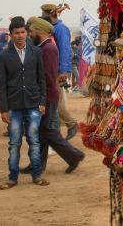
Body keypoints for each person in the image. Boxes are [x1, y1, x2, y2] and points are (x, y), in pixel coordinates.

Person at [25, 17, 84, 174]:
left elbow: (48, 76)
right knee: (42, 132)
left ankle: (74, 155)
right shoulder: (44, 47)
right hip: (47, 95)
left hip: (47, 96)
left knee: (46, 131)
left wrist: (41, 97)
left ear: (39, 32)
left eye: (31, 31)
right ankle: (37, 164)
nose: (30, 34)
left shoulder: (48, 49)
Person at [0, 18, 48, 189]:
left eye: (22, 32)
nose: (20, 36)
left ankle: (37, 175)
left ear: (27, 33)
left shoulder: (35, 52)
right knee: (14, 143)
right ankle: (12, 177)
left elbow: (42, 79)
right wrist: (4, 109)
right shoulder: (4, 55)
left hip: (34, 103)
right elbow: (2, 85)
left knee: (34, 141)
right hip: (14, 106)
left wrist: (42, 102)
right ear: (11, 35)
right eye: (16, 33)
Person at [40, 4, 79, 141]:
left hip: (57, 70)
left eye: (43, 14)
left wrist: (64, 70)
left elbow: (65, 50)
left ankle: (70, 124)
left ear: (49, 14)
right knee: (54, 101)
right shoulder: (52, 28)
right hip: (51, 69)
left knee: (55, 102)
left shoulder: (61, 29)